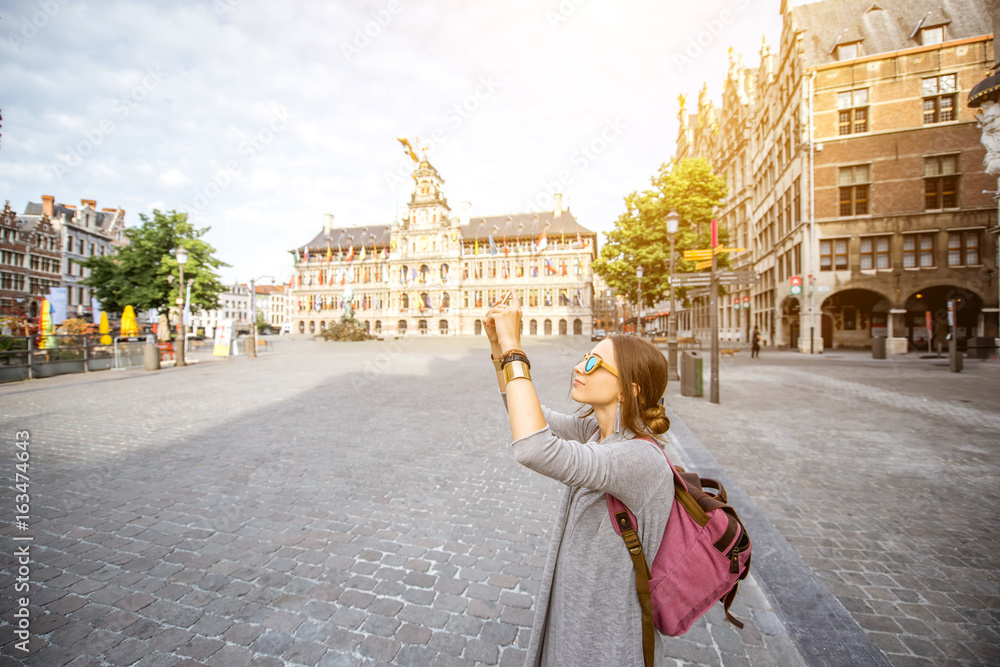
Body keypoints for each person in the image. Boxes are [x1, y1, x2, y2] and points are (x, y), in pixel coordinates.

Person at [484, 291, 674, 666]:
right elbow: (523, 411)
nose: (579, 366)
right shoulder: (596, 430)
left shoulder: (638, 457)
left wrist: (514, 347)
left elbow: (533, 448)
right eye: (585, 357)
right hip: (580, 610)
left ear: (628, 389)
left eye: (594, 363)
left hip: (601, 635)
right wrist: (498, 349)